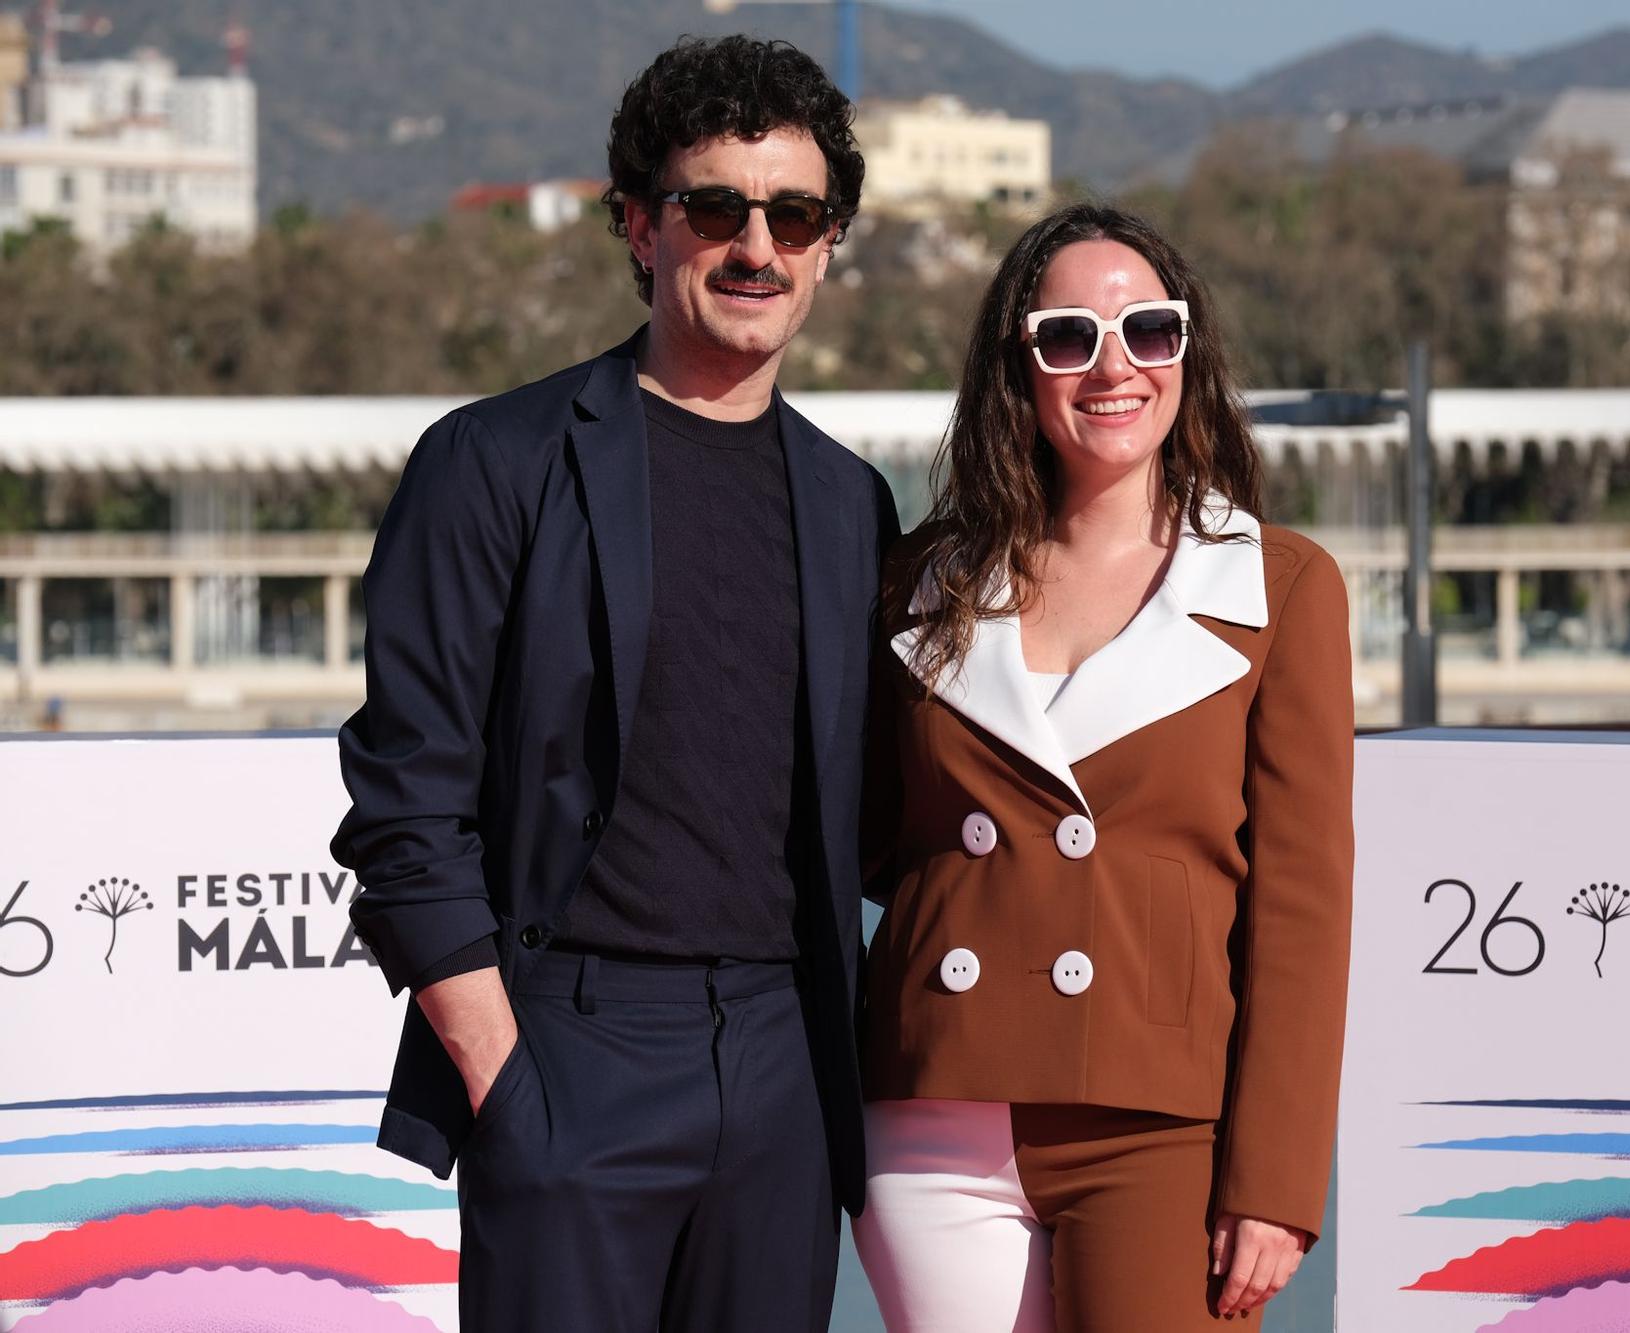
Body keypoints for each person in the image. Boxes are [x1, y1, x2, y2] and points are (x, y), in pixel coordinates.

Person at [331, 36, 897, 1333]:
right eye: (715, 207)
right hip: (571, 1043)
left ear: (826, 245)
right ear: (641, 226)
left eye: (795, 215)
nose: (757, 245)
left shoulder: (850, 503)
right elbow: (407, 800)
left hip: (783, 1065)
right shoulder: (492, 463)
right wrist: (506, 1078)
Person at [853, 203, 1355, 1331]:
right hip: (932, 1105)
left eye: (1150, 331)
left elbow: (1302, 910)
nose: (1114, 365)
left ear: (1189, 353)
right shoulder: (916, 580)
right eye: (1069, 337)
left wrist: (1272, 1182)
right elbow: (876, 837)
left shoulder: (1278, 587)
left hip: (1157, 1121)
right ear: (1017, 369)